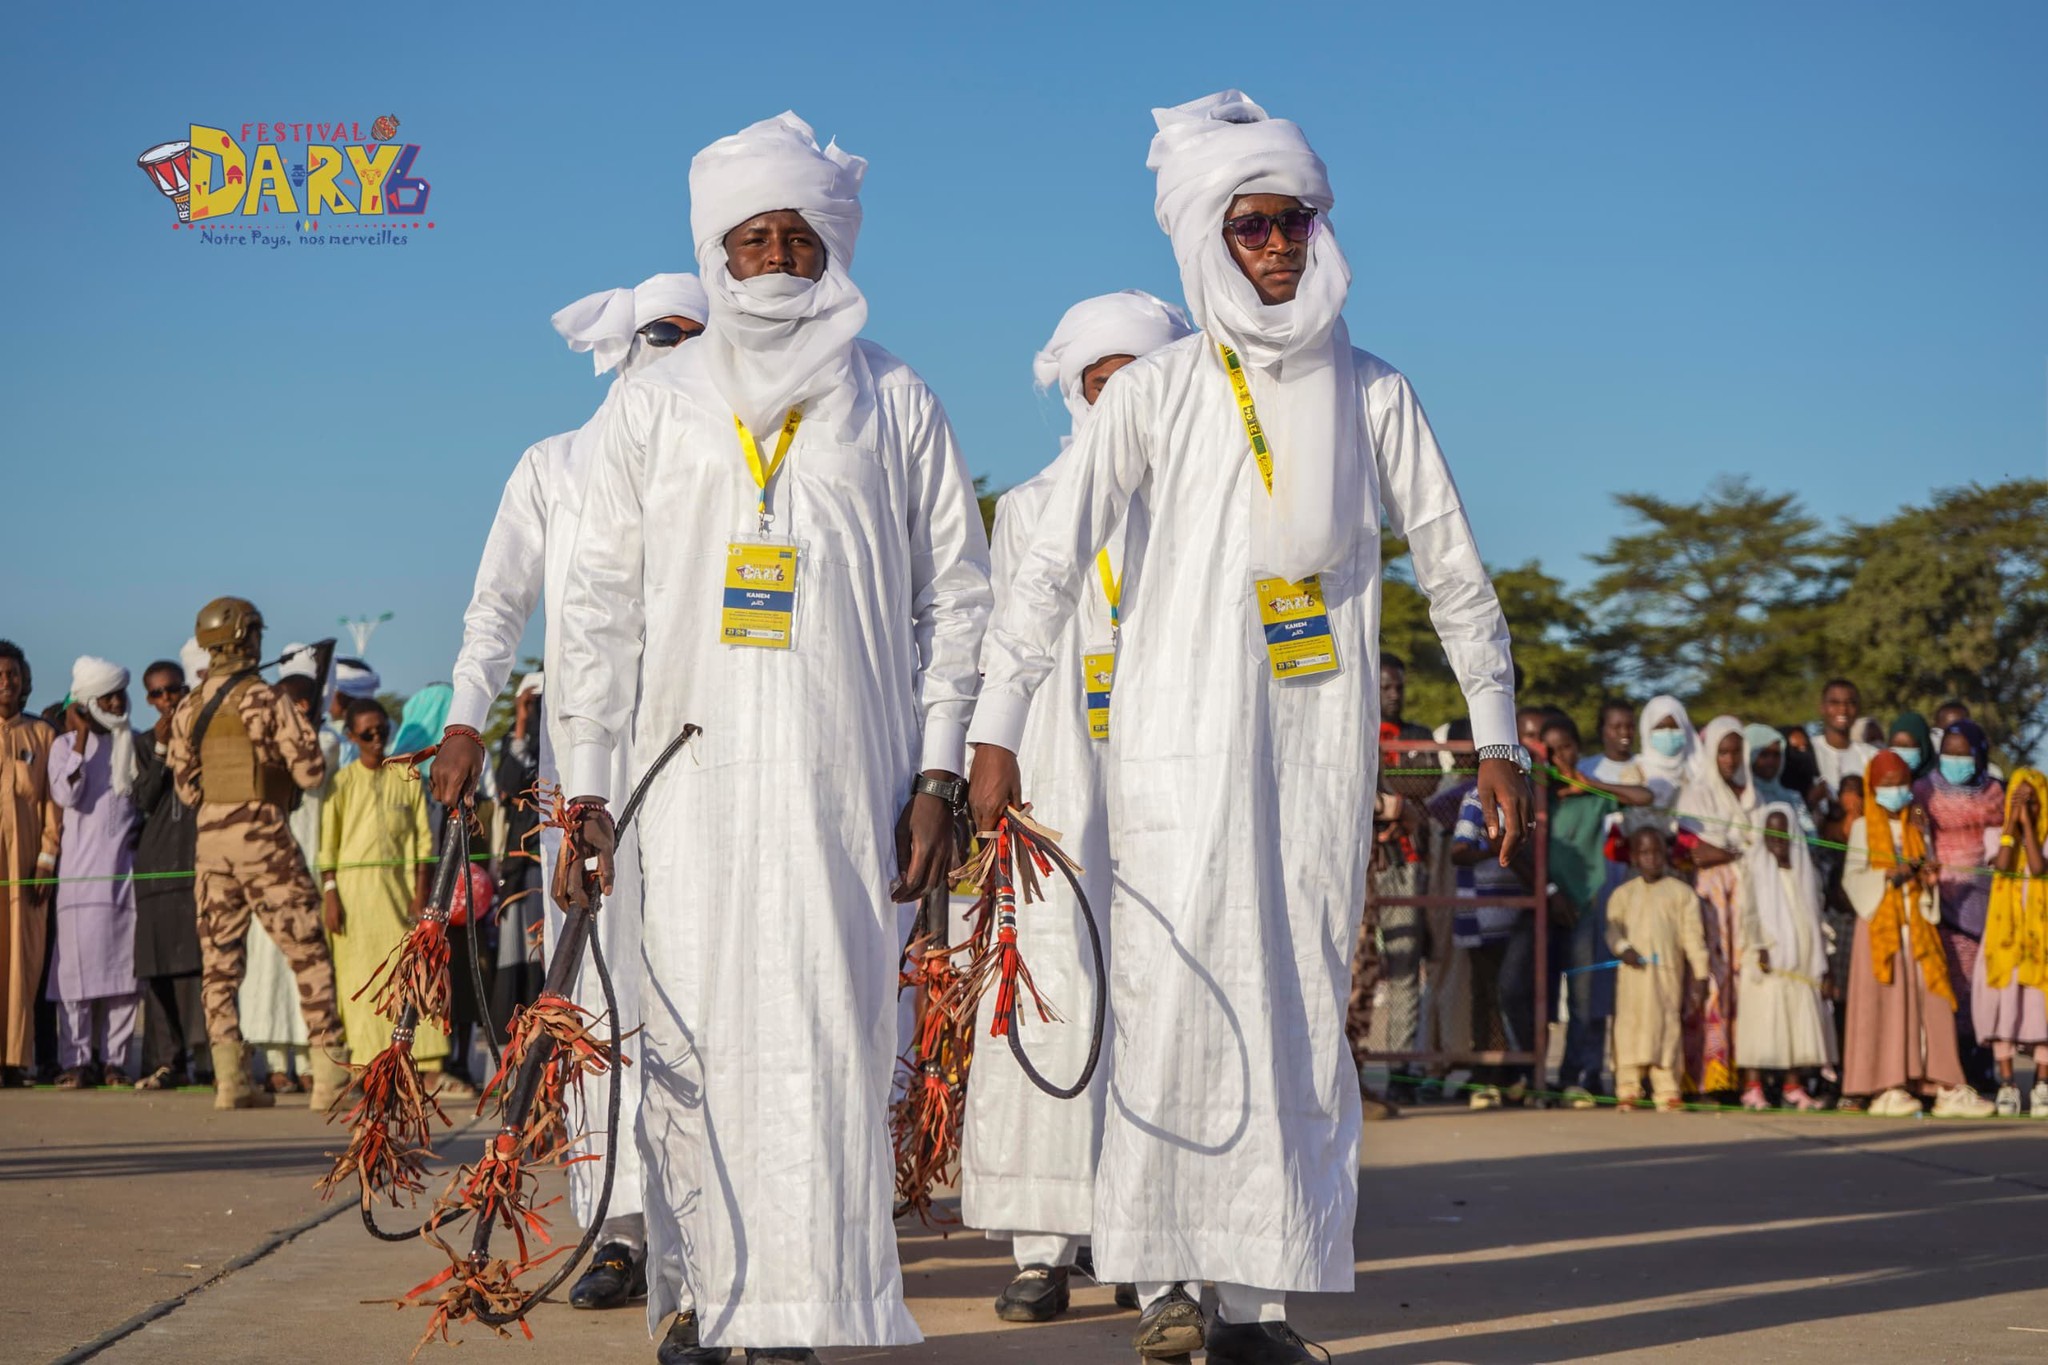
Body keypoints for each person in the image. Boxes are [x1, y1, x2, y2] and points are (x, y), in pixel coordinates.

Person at [966, 91, 1528, 1365]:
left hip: (1314, 749)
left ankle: (1257, 1300)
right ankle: (1162, 1278)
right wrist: (994, 729)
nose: (1276, 246)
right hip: (1170, 744)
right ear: (1204, 242)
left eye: (1295, 222)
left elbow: (1449, 567)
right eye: (1251, 225)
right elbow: (1048, 568)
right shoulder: (1155, 390)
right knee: (1170, 1001)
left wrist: (1495, 734)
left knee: (1288, 1010)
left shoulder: (1371, 392)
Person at [555, 111, 993, 1364]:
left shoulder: (893, 397)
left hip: (842, 781)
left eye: (797, 236)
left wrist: (935, 770)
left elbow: (954, 596)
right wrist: (587, 791)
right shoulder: (651, 408)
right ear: (716, 251)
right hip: (677, 789)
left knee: (820, 1041)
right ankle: (696, 1296)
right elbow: (595, 609)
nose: (774, 258)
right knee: (688, 1033)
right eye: (748, 239)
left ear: (833, 248)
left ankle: (796, 1311)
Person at [433, 274, 709, 1310]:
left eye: (691, 335)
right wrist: (466, 719)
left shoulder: (726, 463)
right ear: (624, 346)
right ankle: (619, 1228)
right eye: (658, 336)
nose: (672, 351)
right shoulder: (552, 466)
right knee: (592, 995)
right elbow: (495, 608)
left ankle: (716, 1222)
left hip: (700, 763)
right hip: (588, 772)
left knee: (693, 989)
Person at [959, 289, 1190, 1325]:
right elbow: (1008, 648)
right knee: (1047, 995)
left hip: (1174, 774)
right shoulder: (1030, 506)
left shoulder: (1202, 498)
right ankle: (1041, 1246)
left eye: (1139, 378)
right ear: (1076, 389)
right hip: (1056, 779)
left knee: (1166, 999)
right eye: (1104, 381)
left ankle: (1157, 1245)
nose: (1120, 398)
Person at [170, 597, 350, 1111]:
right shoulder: (268, 701)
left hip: (211, 847)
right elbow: (312, 772)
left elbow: (186, 789)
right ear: (247, 638)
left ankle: (231, 1081)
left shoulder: (188, 707)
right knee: (307, 952)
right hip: (264, 842)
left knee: (219, 965)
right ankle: (329, 1080)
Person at [1840, 752, 1991, 1117]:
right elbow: (1853, 878)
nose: (1896, 791)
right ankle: (1887, 1085)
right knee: (1888, 1002)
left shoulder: (1915, 827)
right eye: (1888, 784)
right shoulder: (1863, 828)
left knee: (1930, 999)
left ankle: (1943, 1084)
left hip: (1918, 925)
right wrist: (1894, 875)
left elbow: (1923, 871)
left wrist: (1926, 878)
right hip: (1882, 928)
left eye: (1901, 783)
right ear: (1873, 788)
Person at [319, 698, 453, 1080]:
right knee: (358, 979)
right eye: (367, 734)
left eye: (383, 731)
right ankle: (365, 1063)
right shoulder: (341, 784)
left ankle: (422, 1063)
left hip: (400, 895)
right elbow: (327, 846)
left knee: (410, 973)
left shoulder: (406, 777)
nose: (377, 739)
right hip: (352, 897)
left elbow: (423, 842)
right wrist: (330, 892)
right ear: (351, 736)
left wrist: (420, 893)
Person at [1543, 713, 1651, 1108]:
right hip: (1542, 905)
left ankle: (1577, 1075)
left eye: (1566, 748)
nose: (1559, 759)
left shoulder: (1591, 795)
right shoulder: (1538, 796)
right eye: (1550, 753)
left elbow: (1643, 797)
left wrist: (1590, 783)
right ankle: (1535, 1076)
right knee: (1539, 995)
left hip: (1584, 906)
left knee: (1584, 998)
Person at [46, 657, 144, 1086]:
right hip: (78, 884)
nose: (119, 702)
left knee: (124, 978)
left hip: (124, 880)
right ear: (88, 703)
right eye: (108, 696)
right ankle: (76, 1061)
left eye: (121, 694)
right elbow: (67, 793)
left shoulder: (133, 745)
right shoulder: (64, 746)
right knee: (76, 979)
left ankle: (115, 1062)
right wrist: (82, 735)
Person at [244, 669, 329, 1091]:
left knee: (309, 961)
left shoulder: (327, 746)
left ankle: (312, 1062)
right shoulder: (259, 745)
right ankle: (276, 1063)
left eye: (305, 704)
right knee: (270, 963)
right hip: (267, 866)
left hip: (312, 863)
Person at [132, 659, 206, 1089]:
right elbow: (142, 799)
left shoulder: (202, 740)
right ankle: (167, 1062)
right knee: (158, 966)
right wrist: (161, 751)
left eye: (173, 690)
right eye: (158, 694)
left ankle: (208, 1060)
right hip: (156, 869)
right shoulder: (142, 744)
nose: (167, 701)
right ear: (148, 699)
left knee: (198, 967)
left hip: (197, 864)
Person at [1919, 718, 2004, 1089]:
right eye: (1948, 754)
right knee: (1948, 991)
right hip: (1939, 902)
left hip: (1983, 903)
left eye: (1963, 754)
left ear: (1978, 753)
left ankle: (1981, 1071)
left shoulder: (1994, 792)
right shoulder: (1923, 791)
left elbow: (2003, 841)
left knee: (1979, 992)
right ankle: (1948, 1074)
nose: (1955, 760)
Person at [1733, 805, 1834, 1109]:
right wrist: (1759, 944)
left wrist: (1824, 958)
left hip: (1802, 961)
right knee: (1763, 1024)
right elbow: (1748, 913)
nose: (1777, 840)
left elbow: (1817, 915)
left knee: (1797, 1026)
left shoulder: (1807, 872)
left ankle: (1794, 1085)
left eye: (1782, 834)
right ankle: (1753, 1087)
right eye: (1771, 834)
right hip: (1768, 960)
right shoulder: (1754, 868)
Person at [1675, 716, 1756, 1096]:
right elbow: (1692, 851)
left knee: (1742, 981)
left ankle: (1744, 1074)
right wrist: (1732, 852)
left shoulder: (1752, 794)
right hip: (1710, 898)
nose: (1729, 758)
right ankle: (1706, 1074)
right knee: (1709, 979)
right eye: (1723, 751)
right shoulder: (1696, 795)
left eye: (1736, 751)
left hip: (1746, 898)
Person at [1608, 826, 1709, 1111]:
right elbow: (1612, 929)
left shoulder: (1681, 894)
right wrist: (1623, 948)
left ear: (1665, 854)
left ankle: (1666, 1089)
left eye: (1655, 852)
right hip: (1632, 979)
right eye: (1643, 853)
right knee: (1628, 1029)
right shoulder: (1622, 895)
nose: (1650, 859)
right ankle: (1628, 1088)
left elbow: (1693, 937)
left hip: (1666, 977)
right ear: (1634, 858)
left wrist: (1701, 975)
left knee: (1666, 1028)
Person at [0, 640, 59, 1087]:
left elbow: (53, 806)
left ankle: (15, 1061)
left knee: (23, 960)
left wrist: (45, 860)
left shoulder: (42, 736)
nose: (6, 682)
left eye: (13, 675)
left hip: (25, 867)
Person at [1978, 768, 2048, 1115]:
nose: (2027, 808)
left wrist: (2030, 827)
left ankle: (2041, 1084)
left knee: (2041, 1011)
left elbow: (2037, 868)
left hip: (2040, 942)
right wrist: (2011, 826)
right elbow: (2004, 867)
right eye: (2019, 801)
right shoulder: (1996, 836)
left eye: (2033, 802)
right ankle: (2007, 1083)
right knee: (2003, 1007)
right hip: (2004, 941)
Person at [489, 677, 546, 1042]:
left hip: (547, 861)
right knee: (516, 950)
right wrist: (521, 722)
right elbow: (508, 781)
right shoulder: (516, 741)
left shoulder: (556, 744)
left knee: (545, 950)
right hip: (518, 865)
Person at [1810, 679, 1878, 803]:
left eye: (1850, 703)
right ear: (1822, 708)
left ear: (1858, 709)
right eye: (1835, 703)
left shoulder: (1871, 756)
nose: (1843, 710)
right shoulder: (1809, 751)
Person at [1886, 712, 1936, 783]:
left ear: (1923, 746)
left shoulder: (1937, 783)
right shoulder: (1882, 779)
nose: (1900, 753)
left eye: (1906, 746)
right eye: (1895, 745)